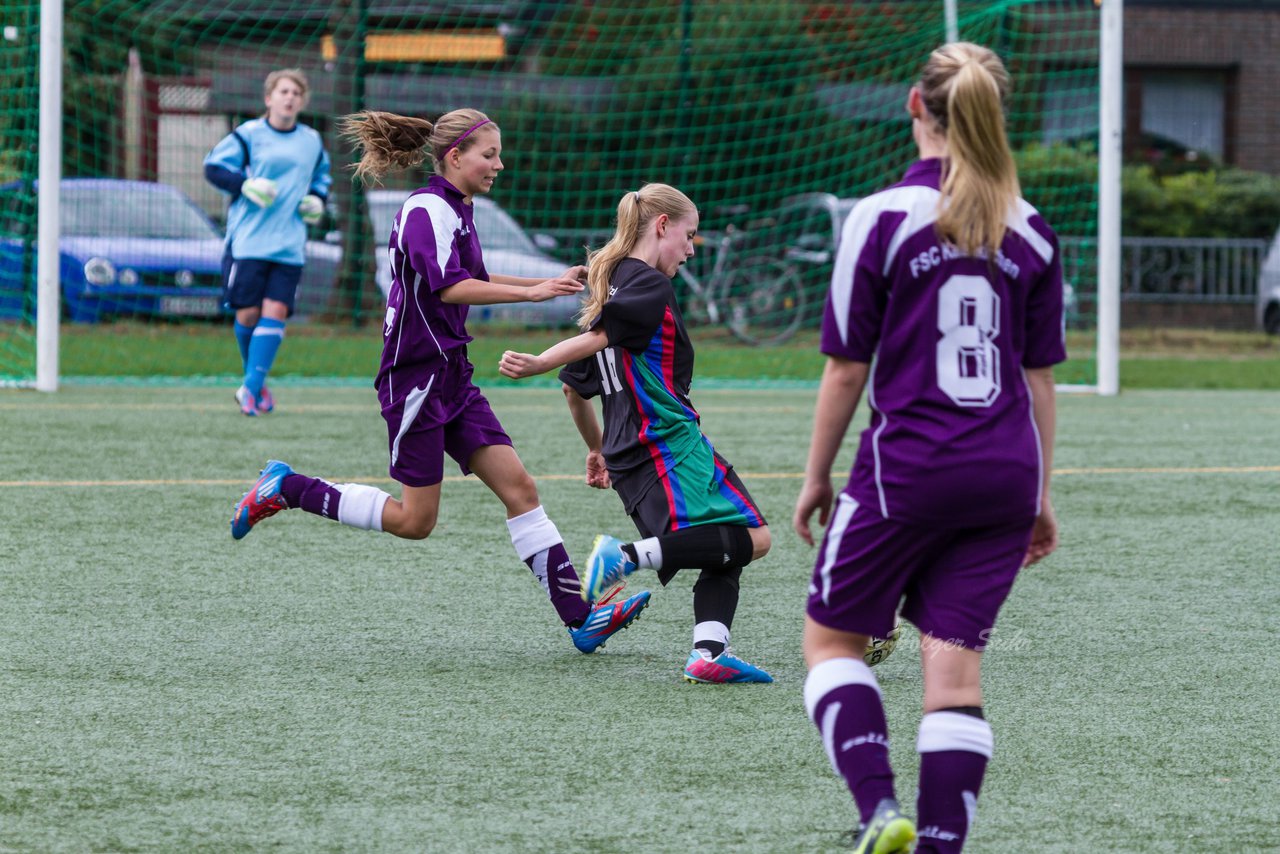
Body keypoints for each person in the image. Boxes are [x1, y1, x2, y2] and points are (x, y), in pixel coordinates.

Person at [228, 108, 651, 654]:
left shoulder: (459, 207)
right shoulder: (426, 210)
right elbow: (450, 288)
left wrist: (542, 282)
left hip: (452, 375)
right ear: (456, 157)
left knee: (520, 489)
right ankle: (287, 487)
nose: (500, 163)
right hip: (415, 380)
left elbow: (472, 276)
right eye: (489, 154)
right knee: (414, 520)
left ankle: (581, 619)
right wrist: (529, 295)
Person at [792, 43, 1063, 853]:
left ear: (916, 104)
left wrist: (816, 476)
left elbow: (846, 371)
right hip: (1006, 480)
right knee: (954, 675)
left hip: (909, 470)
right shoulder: (1032, 230)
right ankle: (942, 844)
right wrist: (1040, 497)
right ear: (993, 112)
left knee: (831, 641)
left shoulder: (879, 218)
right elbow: (1038, 379)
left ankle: (879, 811)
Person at [498, 183, 773, 684]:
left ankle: (708, 653)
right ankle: (623, 557)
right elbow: (596, 340)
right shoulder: (647, 284)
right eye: (689, 236)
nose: (691, 250)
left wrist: (597, 450)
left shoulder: (614, 286)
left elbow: (574, 393)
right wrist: (538, 360)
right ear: (662, 226)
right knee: (754, 537)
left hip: (629, 458)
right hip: (667, 443)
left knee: (724, 543)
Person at [204, 68, 332, 416]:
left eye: (296, 93)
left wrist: (317, 200)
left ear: (302, 102)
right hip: (247, 242)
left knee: (275, 312)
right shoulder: (248, 135)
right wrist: (244, 185)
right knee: (247, 314)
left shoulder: (311, 141)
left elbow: (322, 176)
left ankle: (250, 389)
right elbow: (213, 168)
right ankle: (255, 382)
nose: (289, 98)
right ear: (269, 98)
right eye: (283, 91)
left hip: (290, 244)